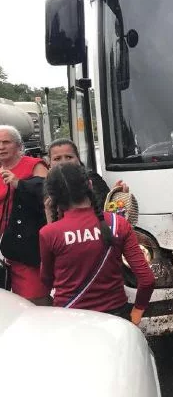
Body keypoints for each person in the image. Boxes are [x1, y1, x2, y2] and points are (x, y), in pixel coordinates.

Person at [39, 163, 154, 324]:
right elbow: (147, 279)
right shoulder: (118, 223)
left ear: (52, 198)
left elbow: (46, 280)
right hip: (116, 317)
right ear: (90, 185)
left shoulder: (49, 233)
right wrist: (137, 311)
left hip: (70, 320)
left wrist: (50, 218)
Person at [0, 125, 50, 305]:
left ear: (19, 145)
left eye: (6, 142)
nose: (1, 147)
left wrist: (19, 183)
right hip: (6, 247)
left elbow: (48, 194)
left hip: (27, 246)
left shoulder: (34, 165)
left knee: (33, 300)